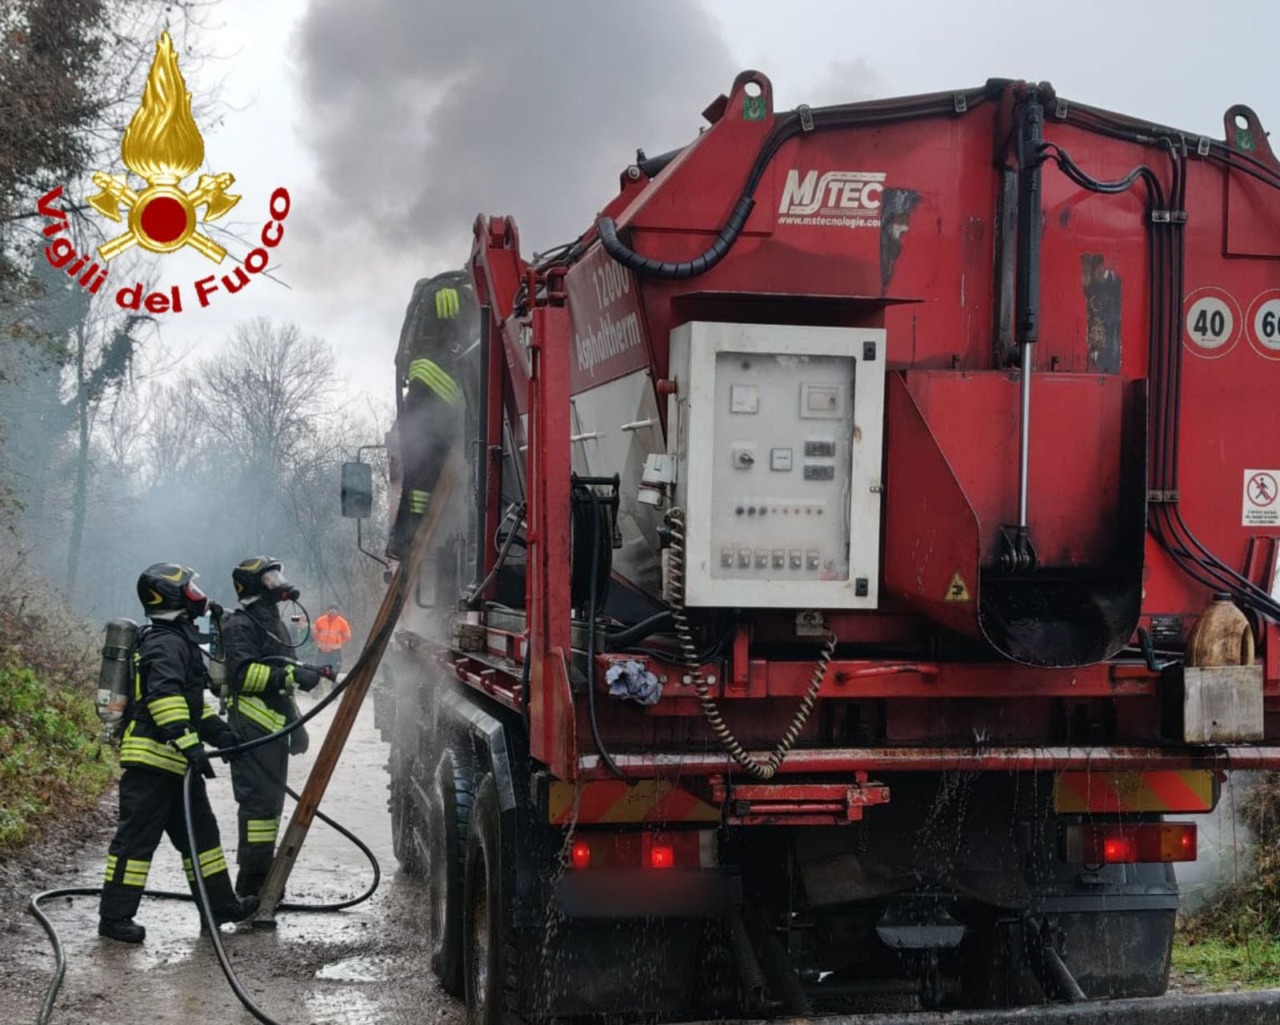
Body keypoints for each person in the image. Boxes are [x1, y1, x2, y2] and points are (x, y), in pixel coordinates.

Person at [98, 563, 258, 943]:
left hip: (174, 763)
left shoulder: (177, 638)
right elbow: (163, 698)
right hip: (152, 762)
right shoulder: (164, 641)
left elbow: (189, 703)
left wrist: (219, 734)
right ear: (172, 596)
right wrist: (190, 745)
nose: (197, 593)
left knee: (202, 838)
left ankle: (219, 907)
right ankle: (114, 919)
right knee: (135, 843)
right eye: (190, 587)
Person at [220, 556, 333, 899]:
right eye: (271, 577)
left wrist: (294, 723)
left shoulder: (272, 622)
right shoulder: (241, 624)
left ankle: (264, 880)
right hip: (251, 730)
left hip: (271, 729)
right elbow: (242, 676)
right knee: (258, 809)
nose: (279, 582)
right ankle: (251, 885)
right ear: (253, 584)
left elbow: (280, 670)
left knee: (269, 808)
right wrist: (292, 675)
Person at [387, 269, 477, 559]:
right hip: (441, 389)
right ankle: (408, 537)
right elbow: (468, 338)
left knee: (417, 474)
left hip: (424, 389)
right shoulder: (452, 294)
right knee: (423, 473)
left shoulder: (431, 295)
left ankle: (405, 539)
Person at [312, 603, 352, 677]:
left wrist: (339, 643)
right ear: (327, 611)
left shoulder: (342, 622)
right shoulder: (320, 620)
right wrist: (320, 642)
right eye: (330, 609)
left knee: (335, 669)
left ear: (337, 612)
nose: (332, 611)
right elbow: (315, 633)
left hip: (335, 651)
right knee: (318, 667)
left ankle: (334, 686)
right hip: (321, 650)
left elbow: (347, 636)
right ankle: (317, 686)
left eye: (334, 610)